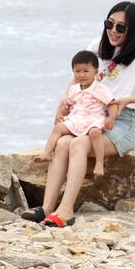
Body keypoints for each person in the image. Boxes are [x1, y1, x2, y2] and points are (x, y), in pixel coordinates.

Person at [29, 2, 135, 227]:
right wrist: (65, 102)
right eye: (110, 24)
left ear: (133, 30)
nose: (113, 31)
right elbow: (78, 80)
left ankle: (66, 211)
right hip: (86, 116)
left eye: (120, 27)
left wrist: (127, 99)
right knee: (62, 143)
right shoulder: (96, 47)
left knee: (79, 144)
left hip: (121, 122)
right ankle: (47, 208)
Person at [34, 51, 118, 185]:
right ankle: (47, 152)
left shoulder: (99, 88)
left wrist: (111, 118)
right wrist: (62, 112)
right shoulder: (74, 89)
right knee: (59, 128)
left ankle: (99, 163)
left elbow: (112, 104)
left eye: (86, 71)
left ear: (96, 71)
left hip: (94, 119)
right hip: (77, 119)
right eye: (77, 71)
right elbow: (67, 106)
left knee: (95, 133)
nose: (82, 75)